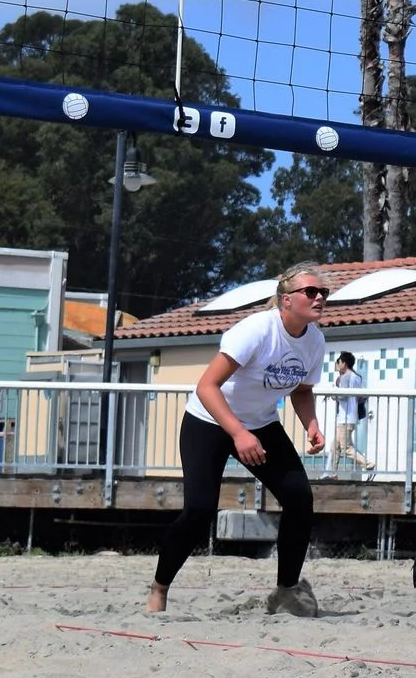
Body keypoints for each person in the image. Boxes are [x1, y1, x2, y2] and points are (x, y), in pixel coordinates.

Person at [146, 264, 329, 615]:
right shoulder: (257, 330)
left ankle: (286, 590)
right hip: (209, 420)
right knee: (199, 510)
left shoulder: (315, 341)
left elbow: (302, 390)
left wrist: (312, 424)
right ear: (286, 300)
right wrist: (238, 432)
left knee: (299, 498)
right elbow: (207, 386)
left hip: (260, 424)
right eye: (311, 291)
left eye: (323, 293)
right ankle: (159, 587)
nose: (319, 297)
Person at [323, 350, 374, 481]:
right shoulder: (357, 377)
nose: (337, 364)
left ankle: (368, 465)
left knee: (346, 447)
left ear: (344, 363)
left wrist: (333, 394)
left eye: (338, 362)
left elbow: (342, 396)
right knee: (335, 446)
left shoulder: (345, 377)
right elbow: (361, 397)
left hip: (344, 417)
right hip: (351, 416)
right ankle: (331, 474)